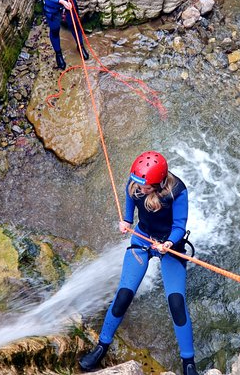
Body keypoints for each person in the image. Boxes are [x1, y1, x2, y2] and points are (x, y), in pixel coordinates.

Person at [79, 151, 199, 375]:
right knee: (124, 295)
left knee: (176, 304)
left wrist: (169, 243)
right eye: (137, 184)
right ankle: (101, 346)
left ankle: (188, 363)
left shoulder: (177, 192)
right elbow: (129, 208)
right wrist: (125, 221)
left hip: (169, 246)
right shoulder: (136, 182)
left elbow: (179, 226)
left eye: (145, 187)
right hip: (142, 239)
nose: (139, 189)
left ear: (159, 184)